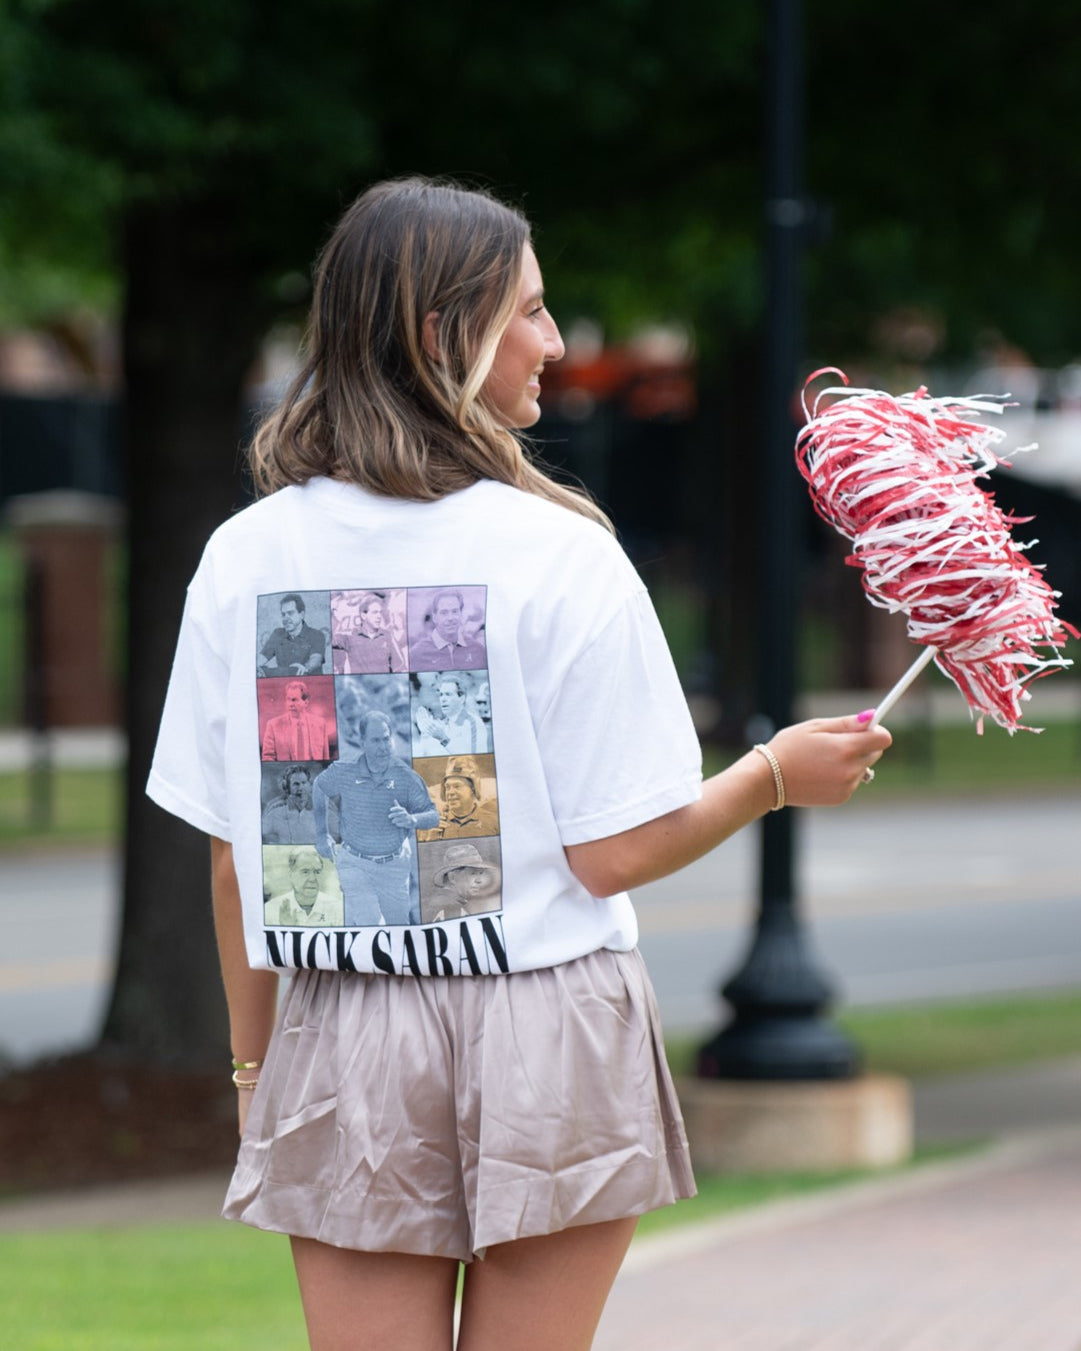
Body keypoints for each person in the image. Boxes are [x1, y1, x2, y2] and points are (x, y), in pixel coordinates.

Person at [147, 177, 890, 1351]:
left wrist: (255, 1072)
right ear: (444, 334)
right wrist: (771, 777)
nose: (553, 342)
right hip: (548, 1020)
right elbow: (612, 853)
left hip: (343, 1024)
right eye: (531, 312)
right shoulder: (563, 554)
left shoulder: (245, 558)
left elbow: (237, 866)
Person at [312, 709, 438, 926]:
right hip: (354, 863)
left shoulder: (406, 776)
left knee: (399, 926)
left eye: (386, 739)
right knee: (370, 922)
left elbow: (433, 816)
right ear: (363, 742)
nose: (383, 746)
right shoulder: (345, 770)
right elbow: (319, 786)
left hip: (394, 866)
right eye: (376, 740)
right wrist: (322, 834)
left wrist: (412, 820)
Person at [418, 759, 500, 840]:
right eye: (447, 787)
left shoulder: (494, 823)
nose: (450, 792)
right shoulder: (429, 827)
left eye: (457, 786)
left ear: (473, 789)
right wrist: (429, 842)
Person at [410, 588, 488, 670]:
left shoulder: (478, 650)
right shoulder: (417, 653)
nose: (450, 618)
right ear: (435, 617)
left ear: (461, 614)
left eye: (455, 611)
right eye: (444, 612)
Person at [264, 847, 343, 926]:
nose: (312, 879)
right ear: (291, 875)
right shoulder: (270, 910)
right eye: (305, 872)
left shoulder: (338, 909)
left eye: (317, 872)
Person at [425, 841, 502, 921]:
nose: (479, 880)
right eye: (473, 873)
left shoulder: (443, 903)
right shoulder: (452, 908)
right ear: (453, 877)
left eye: (481, 873)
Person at [260, 680, 332, 761]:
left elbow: (326, 759)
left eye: (294, 700)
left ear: (306, 702)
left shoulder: (321, 724)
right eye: (288, 699)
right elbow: (267, 758)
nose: (290, 704)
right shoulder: (273, 725)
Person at [260, 593, 327, 676]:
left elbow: (316, 659)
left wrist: (305, 668)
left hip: (310, 684)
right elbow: (261, 659)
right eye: (283, 614)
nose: (285, 618)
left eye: (290, 613)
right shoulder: (277, 634)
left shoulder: (316, 635)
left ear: (301, 615)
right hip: (285, 685)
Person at [261, 765, 318, 844]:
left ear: (309, 785)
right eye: (296, 784)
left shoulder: (321, 810)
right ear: (287, 787)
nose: (301, 788)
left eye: (304, 783)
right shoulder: (276, 812)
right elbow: (263, 834)